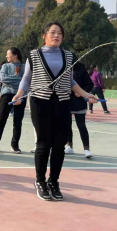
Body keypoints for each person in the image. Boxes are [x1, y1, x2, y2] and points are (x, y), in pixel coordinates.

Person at [12, 22, 97, 201]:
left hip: (62, 102)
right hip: (40, 102)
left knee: (59, 145)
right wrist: (19, 94)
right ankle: (40, 181)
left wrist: (85, 94)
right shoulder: (34, 55)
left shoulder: (69, 56)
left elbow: (70, 81)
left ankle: (54, 181)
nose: (56, 35)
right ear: (44, 35)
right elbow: (27, 78)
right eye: (52, 32)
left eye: (60, 33)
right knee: (43, 143)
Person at [0, 47, 25, 154]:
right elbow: (3, 79)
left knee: (18, 122)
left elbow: (25, 81)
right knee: (1, 120)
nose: (6, 56)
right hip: (6, 95)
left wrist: (19, 83)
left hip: (20, 96)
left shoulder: (24, 67)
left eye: (8, 54)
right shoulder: (5, 66)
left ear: (15, 55)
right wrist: (20, 80)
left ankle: (15, 145)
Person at [65, 62, 94, 158]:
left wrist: (81, 92)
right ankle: (69, 146)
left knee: (81, 126)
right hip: (66, 101)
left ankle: (87, 149)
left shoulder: (81, 70)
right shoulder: (63, 69)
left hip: (79, 103)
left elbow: (90, 84)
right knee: (67, 125)